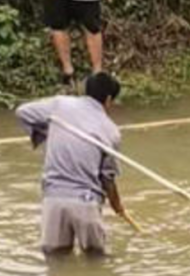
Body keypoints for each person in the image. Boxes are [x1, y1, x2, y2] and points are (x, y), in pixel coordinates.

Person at [16, 72, 125, 256]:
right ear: (108, 99)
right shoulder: (111, 131)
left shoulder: (60, 104)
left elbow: (23, 113)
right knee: (97, 262)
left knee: (55, 261)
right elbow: (107, 178)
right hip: (86, 201)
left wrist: (47, 132)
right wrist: (117, 205)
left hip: (54, 199)